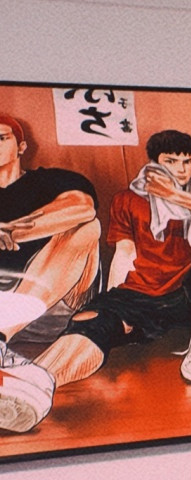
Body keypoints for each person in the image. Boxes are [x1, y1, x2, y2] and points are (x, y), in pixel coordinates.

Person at [0, 129, 191, 433]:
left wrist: (178, 197)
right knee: (95, 323)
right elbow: (125, 252)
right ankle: (34, 384)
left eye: (187, 162)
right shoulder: (129, 199)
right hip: (151, 291)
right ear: (155, 164)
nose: (181, 169)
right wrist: (110, 306)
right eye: (171, 161)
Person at [0, 114, 100, 348]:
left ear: (21, 147)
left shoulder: (53, 180)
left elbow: (82, 207)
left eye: (2, 138)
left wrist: (13, 232)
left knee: (88, 227)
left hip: (51, 303)